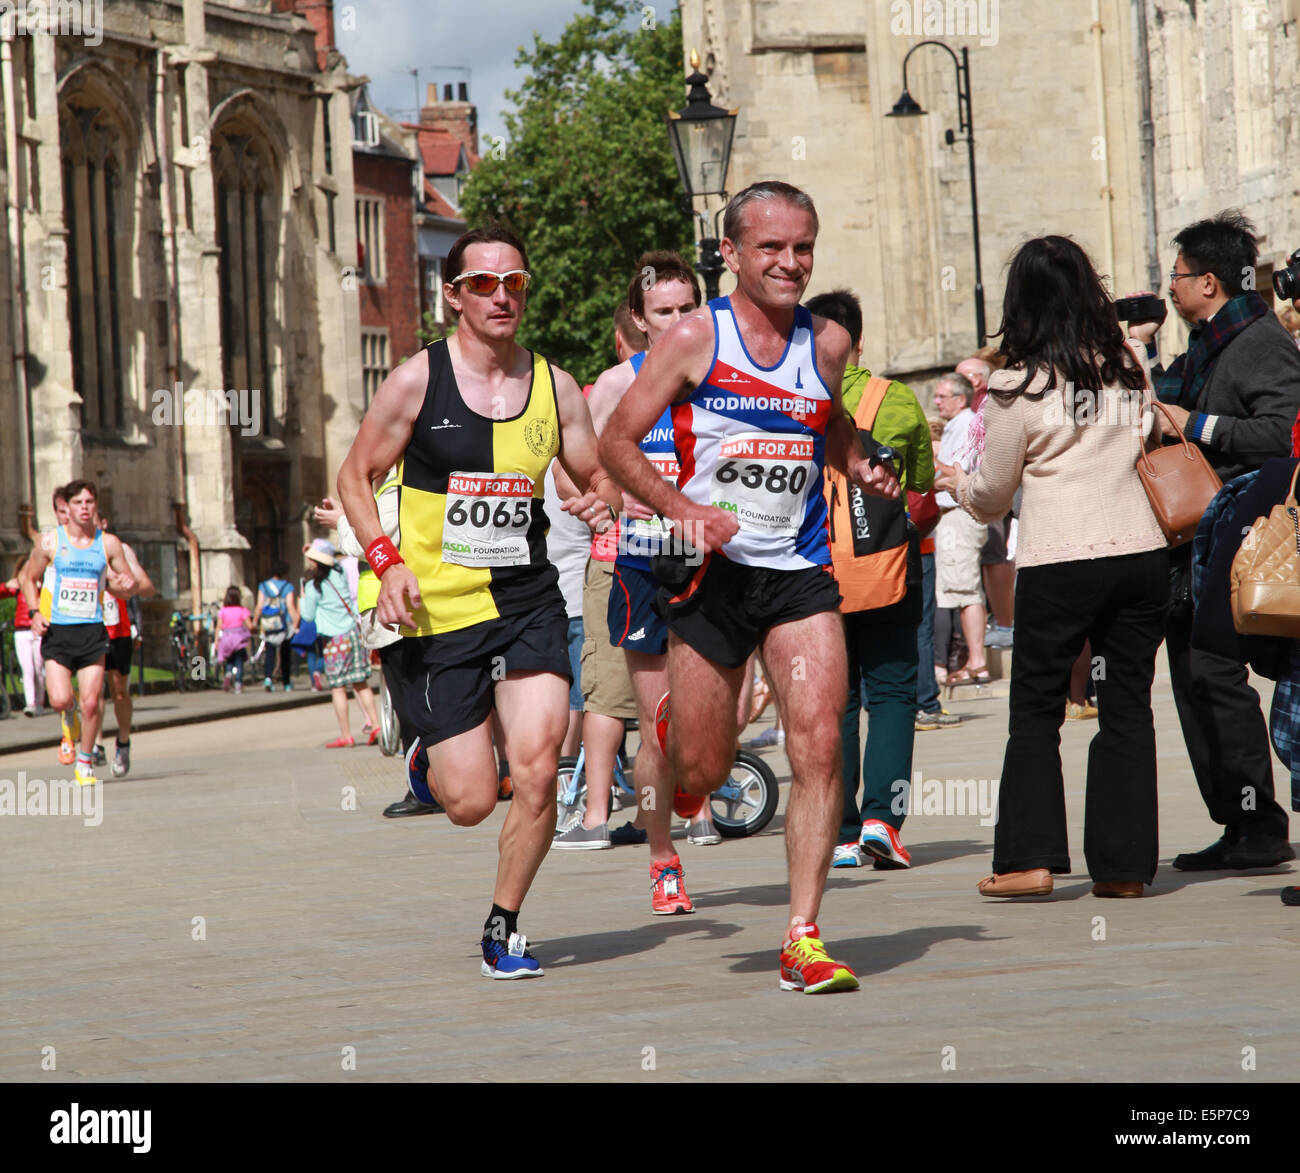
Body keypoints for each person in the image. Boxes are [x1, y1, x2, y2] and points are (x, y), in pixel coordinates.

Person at [599, 180, 898, 993]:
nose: (790, 263)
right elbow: (618, 440)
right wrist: (682, 508)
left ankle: (803, 934)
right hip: (711, 574)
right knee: (700, 766)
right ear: (729, 253)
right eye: (771, 248)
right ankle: (676, 744)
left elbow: (825, 421)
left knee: (820, 740)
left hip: (798, 572)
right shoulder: (696, 337)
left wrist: (859, 457)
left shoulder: (826, 342)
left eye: (802, 247)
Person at [336, 223, 622, 980]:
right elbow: (353, 476)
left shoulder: (556, 386)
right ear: (453, 295)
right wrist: (385, 560)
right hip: (433, 610)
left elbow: (592, 475)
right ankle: (432, 744)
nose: (503, 297)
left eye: (516, 284)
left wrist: (599, 501)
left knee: (534, 770)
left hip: (526, 599)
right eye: (486, 285)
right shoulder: (415, 381)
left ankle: (505, 926)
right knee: (467, 799)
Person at [936, 234, 1170, 898]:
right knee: (1127, 704)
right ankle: (1124, 868)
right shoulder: (1129, 366)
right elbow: (1146, 436)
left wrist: (956, 481)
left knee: (1036, 708)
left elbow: (993, 494)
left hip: (1061, 557)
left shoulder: (1017, 384)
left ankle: (1029, 860)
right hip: (1140, 550)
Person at [1126, 210, 1300, 872]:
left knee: (1217, 675)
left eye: (1176, 276)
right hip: (1190, 541)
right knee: (1195, 678)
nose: (1169, 287)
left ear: (1208, 281)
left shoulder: (1260, 342)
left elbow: (1283, 433)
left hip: (1241, 533)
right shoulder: (1205, 342)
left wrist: (1198, 422)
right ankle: (1237, 820)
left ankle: (1260, 822)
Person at [555, 252, 723, 878]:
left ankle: (698, 800)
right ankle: (663, 858)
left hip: (712, 562)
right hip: (642, 561)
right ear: (640, 319)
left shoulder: (723, 378)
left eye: (687, 309)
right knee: (654, 722)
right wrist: (597, 503)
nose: (678, 321)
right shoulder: (616, 386)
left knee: (711, 712)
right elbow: (574, 457)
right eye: (663, 311)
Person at [805, 289, 933, 871]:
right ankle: (885, 819)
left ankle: (843, 829)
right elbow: (926, 488)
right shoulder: (899, 400)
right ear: (859, 340)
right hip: (888, 571)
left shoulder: (796, 398)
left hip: (814, 574)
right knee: (894, 693)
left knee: (837, 701)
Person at [19, 481, 135, 785]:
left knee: (93, 701)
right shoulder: (50, 542)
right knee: (59, 699)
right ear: (66, 508)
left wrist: (126, 586)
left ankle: (84, 763)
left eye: (89, 502)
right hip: (58, 632)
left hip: (92, 632)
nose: (85, 507)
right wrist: (34, 613)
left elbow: (127, 580)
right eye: (78, 502)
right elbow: (28, 578)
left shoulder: (108, 544)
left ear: (95, 507)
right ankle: (67, 716)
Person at [932, 373, 989, 684]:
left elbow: (958, 472)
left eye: (942, 396)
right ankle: (974, 659)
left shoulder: (967, 423)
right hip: (952, 514)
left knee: (967, 591)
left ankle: (978, 662)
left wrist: (928, 460)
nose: (937, 401)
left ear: (961, 399)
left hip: (960, 512)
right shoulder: (958, 424)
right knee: (959, 589)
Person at [299, 541, 380, 747]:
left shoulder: (312, 587)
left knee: (338, 688)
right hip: (353, 633)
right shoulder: (339, 574)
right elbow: (332, 562)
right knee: (361, 683)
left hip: (334, 641)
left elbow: (307, 615)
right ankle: (377, 725)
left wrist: (302, 598)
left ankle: (346, 735)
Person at [95, 512, 154, 777]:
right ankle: (94, 746)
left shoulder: (120, 549)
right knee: (92, 692)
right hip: (89, 629)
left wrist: (137, 628)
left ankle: (123, 740)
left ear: (103, 522)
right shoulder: (68, 548)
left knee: (119, 692)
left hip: (118, 629)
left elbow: (144, 588)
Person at [1, 558, 45, 715]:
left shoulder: (41, 587)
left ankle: (40, 701)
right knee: (27, 668)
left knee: (39, 668)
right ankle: (31, 703)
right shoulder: (18, 588)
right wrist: (7, 585)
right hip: (21, 631)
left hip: (38, 630)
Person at [252, 561, 299, 692]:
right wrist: (296, 624)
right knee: (285, 654)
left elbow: (259, 606)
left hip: (268, 623)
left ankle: (268, 678)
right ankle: (286, 682)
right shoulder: (287, 586)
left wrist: (255, 621)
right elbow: (290, 606)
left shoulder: (263, 586)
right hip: (284, 623)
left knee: (270, 652)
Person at [216, 585, 255, 693]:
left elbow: (218, 626)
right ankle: (238, 683)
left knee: (229, 660)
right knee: (239, 662)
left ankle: (228, 674)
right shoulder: (242, 610)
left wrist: (216, 641)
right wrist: (253, 630)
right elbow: (250, 625)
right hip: (238, 639)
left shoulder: (223, 611)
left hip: (226, 638)